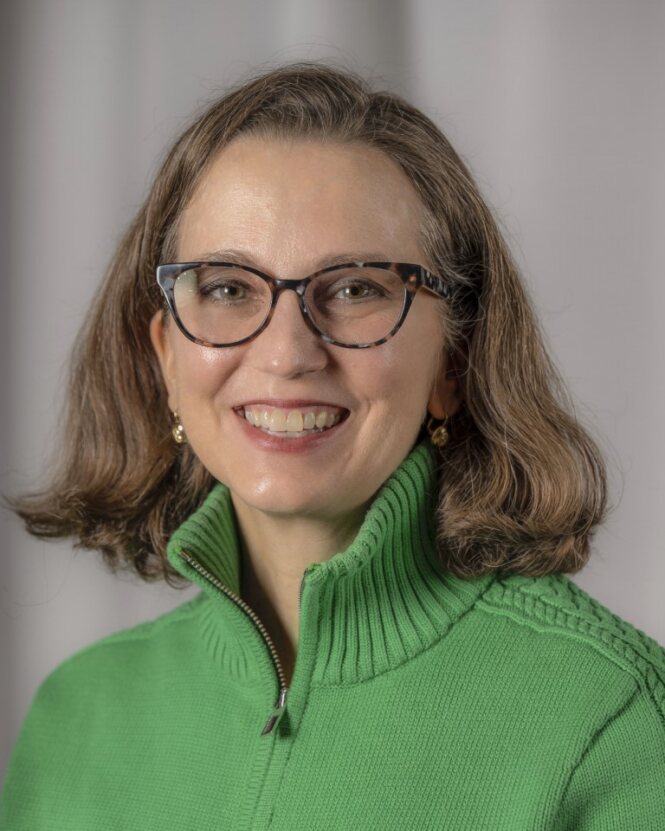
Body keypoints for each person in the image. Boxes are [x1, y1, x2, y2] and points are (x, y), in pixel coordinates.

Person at [1, 63, 664, 830]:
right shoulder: (75, 717)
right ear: (167, 360)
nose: (286, 354)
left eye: (355, 288)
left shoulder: (611, 720)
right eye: (226, 288)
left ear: (452, 359)